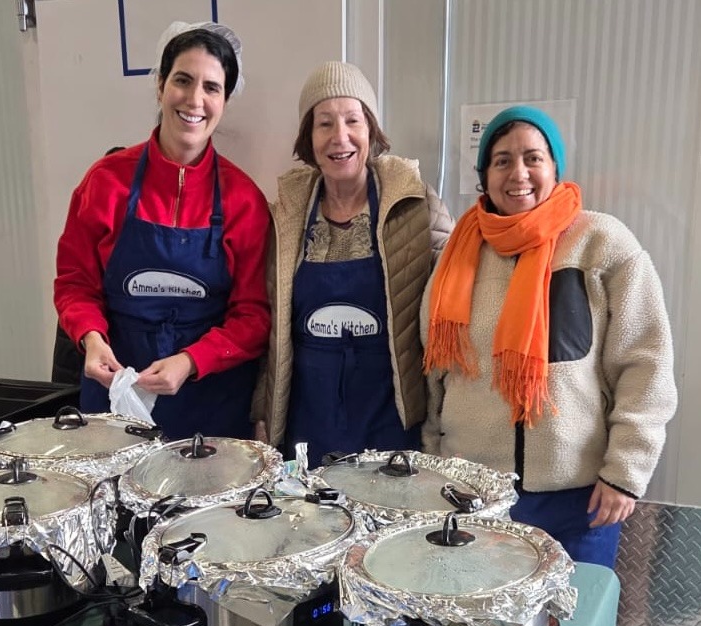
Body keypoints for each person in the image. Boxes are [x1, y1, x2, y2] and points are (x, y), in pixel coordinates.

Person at [421, 105, 677, 568]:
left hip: (577, 500)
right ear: (485, 175)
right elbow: (434, 372)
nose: (518, 173)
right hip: (472, 493)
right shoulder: (457, 256)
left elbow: (646, 364)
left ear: (555, 168)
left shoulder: (602, 243)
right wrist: (434, 461)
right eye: (502, 160)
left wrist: (625, 473)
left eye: (533, 158)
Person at [54, 22, 270, 440]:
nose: (194, 100)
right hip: (115, 402)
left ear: (224, 101)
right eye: (182, 81)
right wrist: (91, 339)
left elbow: (254, 316)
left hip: (210, 407)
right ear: (159, 85)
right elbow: (74, 284)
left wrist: (190, 360)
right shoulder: (105, 182)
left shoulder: (244, 199)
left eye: (211, 87)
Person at [253, 62, 453, 467]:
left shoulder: (415, 207)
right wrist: (261, 412)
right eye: (324, 123)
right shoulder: (286, 217)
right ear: (308, 138)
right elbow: (269, 324)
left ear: (371, 131)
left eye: (352, 121)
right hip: (309, 421)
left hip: (392, 419)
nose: (339, 137)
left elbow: (450, 312)